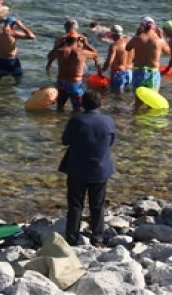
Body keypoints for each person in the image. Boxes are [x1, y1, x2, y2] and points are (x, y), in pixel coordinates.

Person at [59, 91, 115, 246]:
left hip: (78, 168)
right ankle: (97, 238)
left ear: (82, 104)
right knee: (97, 205)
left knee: (76, 205)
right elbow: (111, 141)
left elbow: (65, 140)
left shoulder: (77, 121)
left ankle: (72, 238)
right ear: (100, 104)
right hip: (101, 168)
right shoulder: (108, 121)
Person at [46, 35, 101, 112]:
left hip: (61, 83)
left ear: (66, 41)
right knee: (78, 109)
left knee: (60, 107)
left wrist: (59, 44)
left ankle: (60, 123)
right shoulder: (82, 52)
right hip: (75, 84)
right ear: (78, 41)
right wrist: (86, 44)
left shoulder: (60, 51)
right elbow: (96, 54)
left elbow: (49, 56)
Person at [125, 18, 170, 102]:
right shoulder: (159, 40)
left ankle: (136, 113)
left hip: (138, 72)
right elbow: (168, 52)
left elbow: (128, 48)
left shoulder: (136, 38)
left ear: (141, 26)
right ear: (155, 27)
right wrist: (162, 37)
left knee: (138, 101)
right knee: (153, 100)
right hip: (152, 73)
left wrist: (136, 34)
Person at [0, 15, 35, 82]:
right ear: (13, 25)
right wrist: (21, 26)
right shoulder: (13, 33)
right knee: (17, 80)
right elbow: (32, 36)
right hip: (11, 61)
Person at [102, 26, 132, 92]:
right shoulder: (129, 41)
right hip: (129, 72)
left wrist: (102, 70)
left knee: (117, 95)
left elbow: (109, 61)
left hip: (119, 74)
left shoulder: (114, 45)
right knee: (125, 91)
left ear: (113, 34)